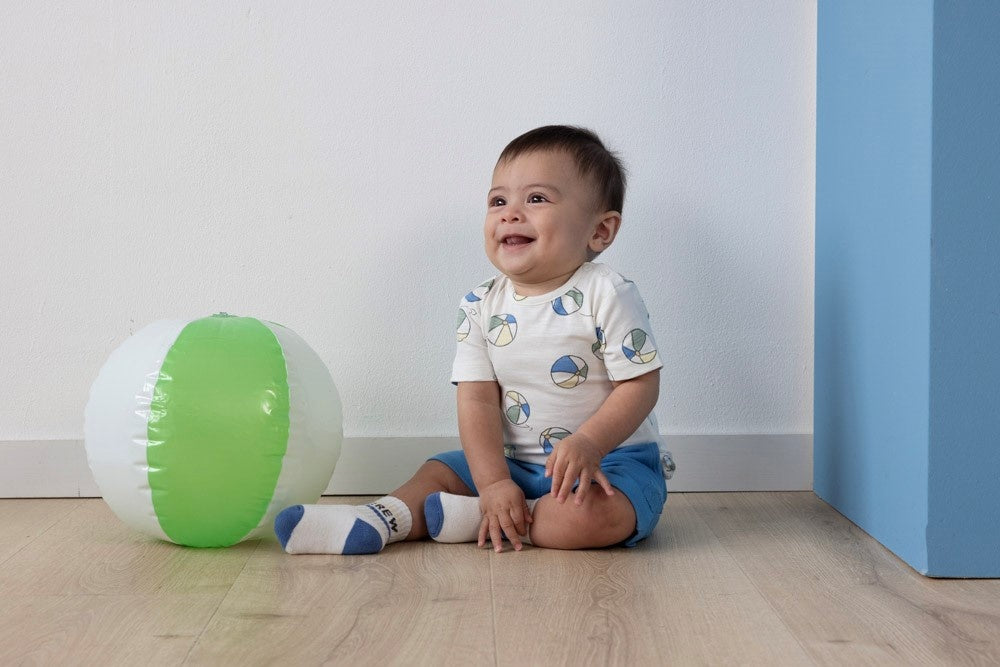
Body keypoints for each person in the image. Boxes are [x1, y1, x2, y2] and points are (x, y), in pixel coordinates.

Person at [274, 125, 667, 554]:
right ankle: (379, 518)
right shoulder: (481, 304)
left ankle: (478, 515)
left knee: (585, 519)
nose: (510, 213)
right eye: (498, 200)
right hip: (515, 464)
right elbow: (477, 399)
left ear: (600, 232)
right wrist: (495, 481)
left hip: (610, 465)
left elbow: (640, 384)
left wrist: (589, 442)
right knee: (437, 473)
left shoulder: (608, 293)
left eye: (536, 199)